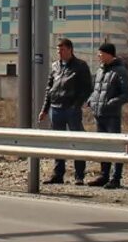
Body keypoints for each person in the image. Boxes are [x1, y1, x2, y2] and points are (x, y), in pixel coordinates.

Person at [37, 38, 94, 184]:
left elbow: (87, 88)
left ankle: (79, 175)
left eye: (62, 50)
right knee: (58, 142)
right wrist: (45, 109)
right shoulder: (55, 66)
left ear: (70, 49)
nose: (59, 53)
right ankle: (58, 174)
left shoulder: (80, 66)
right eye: (58, 50)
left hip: (71, 109)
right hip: (55, 109)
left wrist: (76, 104)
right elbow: (49, 89)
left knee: (76, 141)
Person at [85, 42, 128, 189]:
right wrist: (90, 100)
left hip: (112, 115)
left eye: (100, 53)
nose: (98, 56)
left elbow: (127, 94)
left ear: (109, 54)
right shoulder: (99, 71)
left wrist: (110, 103)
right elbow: (95, 90)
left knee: (116, 146)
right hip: (98, 114)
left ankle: (116, 178)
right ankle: (104, 175)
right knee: (103, 146)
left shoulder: (120, 71)